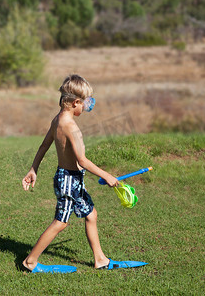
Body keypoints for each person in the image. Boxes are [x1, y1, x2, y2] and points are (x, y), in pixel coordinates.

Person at [21, 74, 120, 273]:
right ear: (75, 102)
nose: (87, 107)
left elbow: (43, 146)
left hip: (72, 179)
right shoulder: (71, 126)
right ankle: (30, 262)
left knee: (91, 214)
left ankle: (100, 259)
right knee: (61, 222)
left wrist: (34, 169)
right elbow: (82, 160)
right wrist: (107, 175)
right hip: (68, 180)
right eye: (85, 103)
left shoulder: (57, 120)